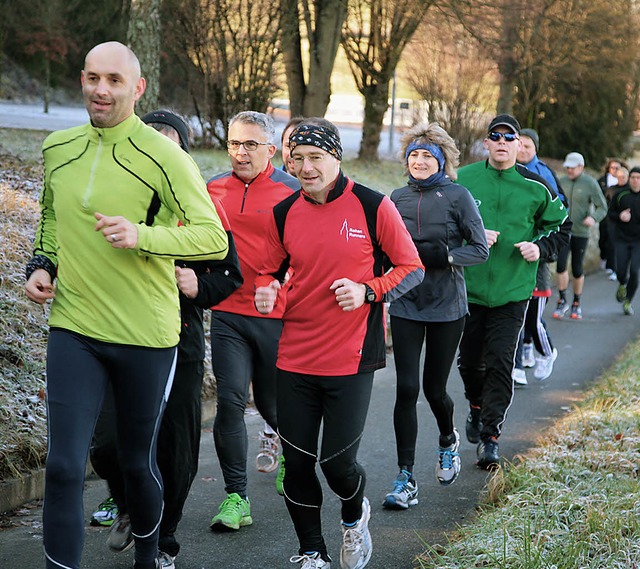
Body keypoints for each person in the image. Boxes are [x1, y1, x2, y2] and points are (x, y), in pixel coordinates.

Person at [24, 42, 229, 569]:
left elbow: (213, 239)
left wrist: (142, 236)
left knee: (138, 463)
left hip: (146, 333)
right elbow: (50, 217)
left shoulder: (165, 156)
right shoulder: (58, 148)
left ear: (137, 89)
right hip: (74, 324)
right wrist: (42, 265)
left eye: (114, 80)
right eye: (92, 77)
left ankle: (149, 555)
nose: (100, 89)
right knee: (66, 466)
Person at [254, 118, 423, 568]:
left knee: (336, 466)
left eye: (316, 158)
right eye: (297, 159)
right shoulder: (284, 212)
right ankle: (312, 550)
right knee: (298, 462)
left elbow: (411, 267)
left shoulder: (372, 206)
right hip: (294, 356)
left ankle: (353, 517)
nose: (305, 167)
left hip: (351, 358)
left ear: (336, 157)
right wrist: (268, 289)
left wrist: (368, 290)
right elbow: (269, 271)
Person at [88, 110, 243, 569]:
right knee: (106, 444)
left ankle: (164, 540)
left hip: (180, 336)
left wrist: (199, 285)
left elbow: (229, 272)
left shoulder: (195, 204)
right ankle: (129, 503)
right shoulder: (112, 195)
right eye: (151, 136)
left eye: (170, 139)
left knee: (176, 447)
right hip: (115, 331)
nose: (159, 145)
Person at [382, 123, 488, 509]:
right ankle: (405, 476)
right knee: (406, 388)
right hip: (407, 302)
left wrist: (443, 256)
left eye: (428, 155)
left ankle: (448, 440)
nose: (420, 161)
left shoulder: (458, 195)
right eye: (414, 154)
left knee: (434, 389)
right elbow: (382, 248)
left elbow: (480, 249)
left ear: (441, 160)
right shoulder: (395, 198)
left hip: (447, 308)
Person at [456, 114, 570, 469]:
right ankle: (476, 408)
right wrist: (470, 238)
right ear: (486, 143)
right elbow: (442, 225)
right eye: (496, 136)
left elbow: (561, 229)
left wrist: (540, 249)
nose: (503, 143)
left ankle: (491, 437)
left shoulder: (537, 186)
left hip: (514, 290)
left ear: (519, 144)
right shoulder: (462, 181)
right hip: (470, 290)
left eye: (510, 138)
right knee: (470, 363)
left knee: (503, 362)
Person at [206, 110, 300, 531]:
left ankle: (290, 460)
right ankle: (236, 497)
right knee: (228, 402)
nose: (240, 153)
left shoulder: (293, 191)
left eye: (250, 145)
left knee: (272, 405)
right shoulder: (211, 188)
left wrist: (281, 285)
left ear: (271, 150)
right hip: (227, 312)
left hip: (276, 315)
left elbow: (308, 251)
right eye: (233, 144)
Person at [513, 128, 564, 384]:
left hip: (537, 254)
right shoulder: (507, 171)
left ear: (536, 149)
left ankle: (545, 350)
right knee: (514, 314)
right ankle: (518, 365)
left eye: (527, 146)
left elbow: (558, 216)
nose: (521, 149)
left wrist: (543, 245)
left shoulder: (543, 175)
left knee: (531, 316)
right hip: (511, 254)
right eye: (518, 144)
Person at [553, 152, 608, 320]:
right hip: (563, 232)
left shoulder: (590, 183)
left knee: (577, 268)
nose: (569, 170)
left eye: (572, 168)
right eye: (567, 167)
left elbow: (602, 207)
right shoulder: (561, 182)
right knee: (560, 266)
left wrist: (593, 218)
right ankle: (562, 300)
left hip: (581, 233)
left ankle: (576, 303)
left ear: (581, 167)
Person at [609, 166, 640, 315]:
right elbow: (610, 213)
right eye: (633, 177)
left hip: (638, 242)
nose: (635, 181)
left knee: (634, 271)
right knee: (621, 271)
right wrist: (620, 216)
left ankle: (628, 301)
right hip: (621, 238)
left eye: (638, 178)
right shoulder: (621, 195)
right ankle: (622, 283)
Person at [598, 158, 624, 276]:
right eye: (612, 168)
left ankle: (612, 265)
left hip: (617, 216)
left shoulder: (623, 181)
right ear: (608, 169)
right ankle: (603, 256)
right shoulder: (602, 181)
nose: (614, 170)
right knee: (603, 239)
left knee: (613, 240)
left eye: (617, 168)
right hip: (604, 214)